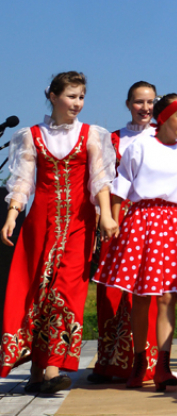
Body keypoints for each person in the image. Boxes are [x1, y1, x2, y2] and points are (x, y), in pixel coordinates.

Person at [0, 72, 117, 393]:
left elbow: (100, 180)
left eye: (81, 97)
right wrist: (12, 215)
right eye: (71, 96)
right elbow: (23, 180)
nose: (77, 103)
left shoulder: (92, 135)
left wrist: (105, 215)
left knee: (66, 291)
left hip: (79, 224)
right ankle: (36, 372)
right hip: (41, 223)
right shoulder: (31, 135)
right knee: (37, 292)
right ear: (52, 96)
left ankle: (53, 367)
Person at [94, 94, 177, 391]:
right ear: (165, 118)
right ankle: (139, 362)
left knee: (167, 297)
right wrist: (115, 223)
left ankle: (162, 364)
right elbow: (121, 188)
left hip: (174, 225)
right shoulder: (140, 147)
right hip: (141, 222)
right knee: (140, 297)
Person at [89, 81, 160, 385]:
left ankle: (148, 362)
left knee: (148, 290)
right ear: (128, 103)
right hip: (116, 219)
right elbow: (100, 182)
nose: (145, 108)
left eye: (150, 102)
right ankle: (111, 363)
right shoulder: (112, 138)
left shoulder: (164, 136)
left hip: (152, 221)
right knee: (111, 289)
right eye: (139, 102)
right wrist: (100, 216)